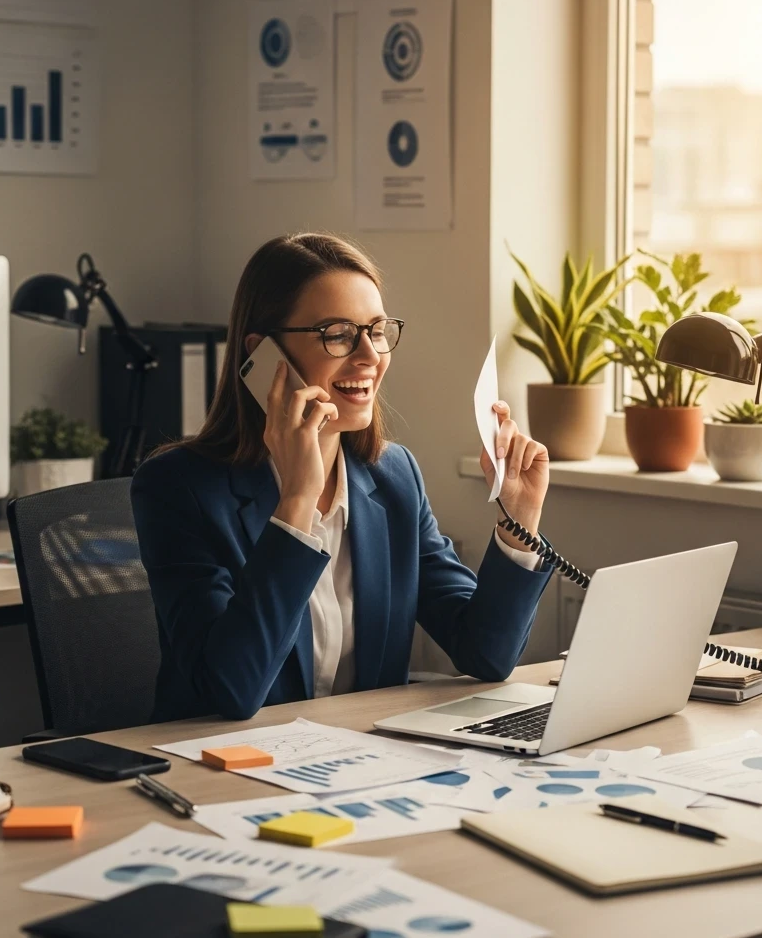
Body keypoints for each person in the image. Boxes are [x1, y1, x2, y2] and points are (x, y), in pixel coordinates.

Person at [131, 232, 552, 722]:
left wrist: (518, 522)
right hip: (226, 770)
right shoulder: (177, 488)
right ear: (263, 354)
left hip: (362, 764)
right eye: (338, 334)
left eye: (376, 330)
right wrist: (297, 504)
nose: (369, 355)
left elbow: (487, 654)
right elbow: (231, 691)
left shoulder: (394, 478)